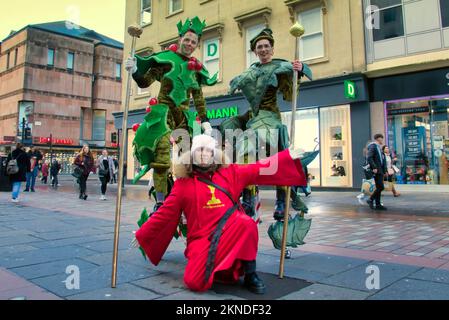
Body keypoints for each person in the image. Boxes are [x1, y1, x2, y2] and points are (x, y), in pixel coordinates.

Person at [133, 134, 307, 294]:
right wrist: (144, 233)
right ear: (192, 154)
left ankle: (250, 273)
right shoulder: (182, 185)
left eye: (208, 150)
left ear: (214, 154)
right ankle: (218, 268)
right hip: (202, 240)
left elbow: (257, 169)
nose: (204, 154)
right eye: (200, 150)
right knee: (194, 282)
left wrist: (285, 157)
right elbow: (165, 213)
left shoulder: (230, 173)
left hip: (230, 229)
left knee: (246, 223)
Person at [125, 16, 217, 213]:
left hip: (182, 116)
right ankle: (160, 201)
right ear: (180, 39)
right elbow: (145, 82)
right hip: (164, 112)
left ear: (197, 44)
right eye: (187, 40)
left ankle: (184, 196)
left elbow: (199, 98)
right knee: (162, 157)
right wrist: (134, 71)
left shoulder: (196, 69)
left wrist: (206, 121)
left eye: (194, 42)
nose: (190, 44)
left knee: (187, 158)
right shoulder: (166, 60)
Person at [221, 28, 311, 220]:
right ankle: (247, 196)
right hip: (252, 116)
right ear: (255, 51)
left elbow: (290, 96)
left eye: (266, 46)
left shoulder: (281, 68)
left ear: (272, 49)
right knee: (229, 125)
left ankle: (281, 200)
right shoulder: (251, 71)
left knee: (276, 158)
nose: (263, 49)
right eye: (259, 47)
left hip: (269, 116)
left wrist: (298, 73)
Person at [366, 134, 387, 210]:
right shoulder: (373, 146)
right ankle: (370, 199)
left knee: (379, 187)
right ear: (378, 139)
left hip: (380, 169)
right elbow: (369, 157)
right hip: (377, 170)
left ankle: (378, 204)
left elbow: (382, 160)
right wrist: (374, 167)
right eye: (381, 139)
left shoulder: (378, 147)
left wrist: (384, 170)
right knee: (381, 187)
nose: (382, 140)